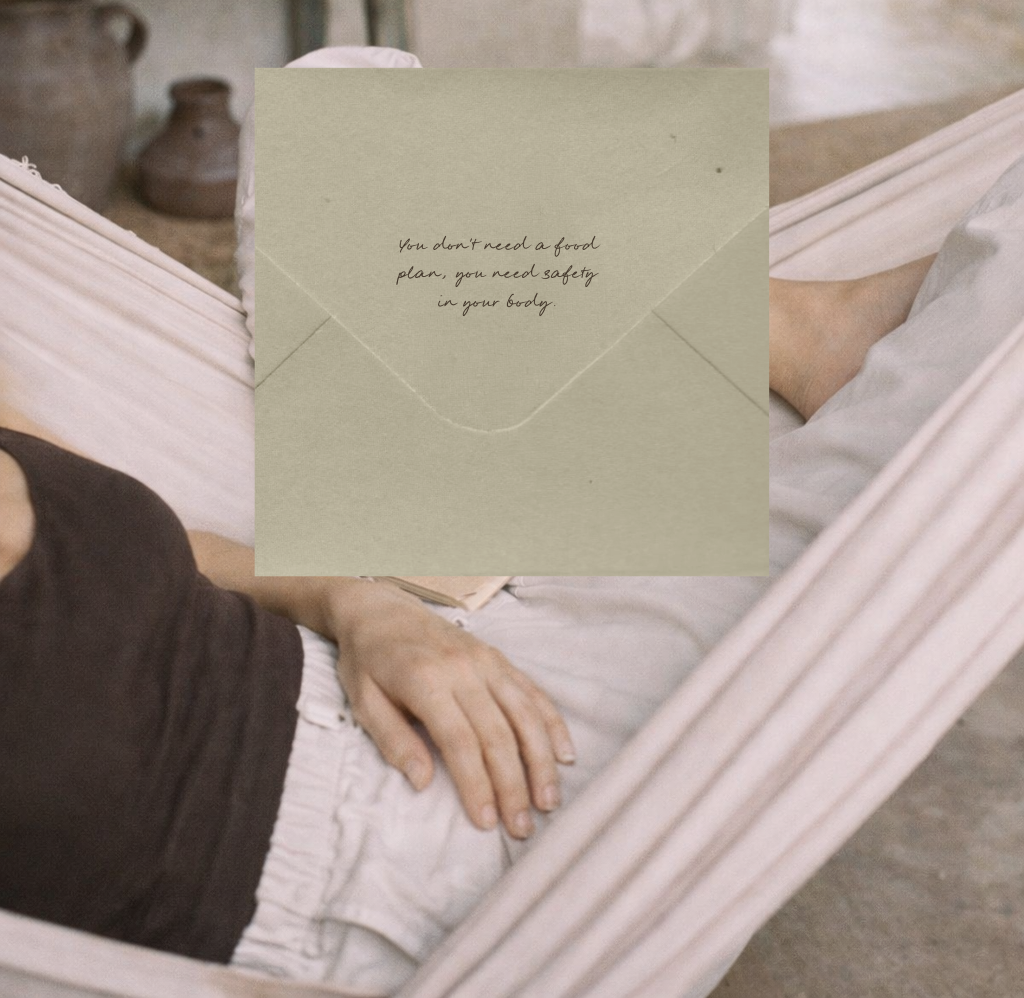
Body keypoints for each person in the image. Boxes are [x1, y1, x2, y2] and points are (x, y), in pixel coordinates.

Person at [0, 251, 945, 988]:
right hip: (433, 841)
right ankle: (802, 335)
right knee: (977, 366)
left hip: (403, 638)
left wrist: (356, 603)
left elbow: (155, 542)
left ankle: (788, 327)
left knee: (345, 98)